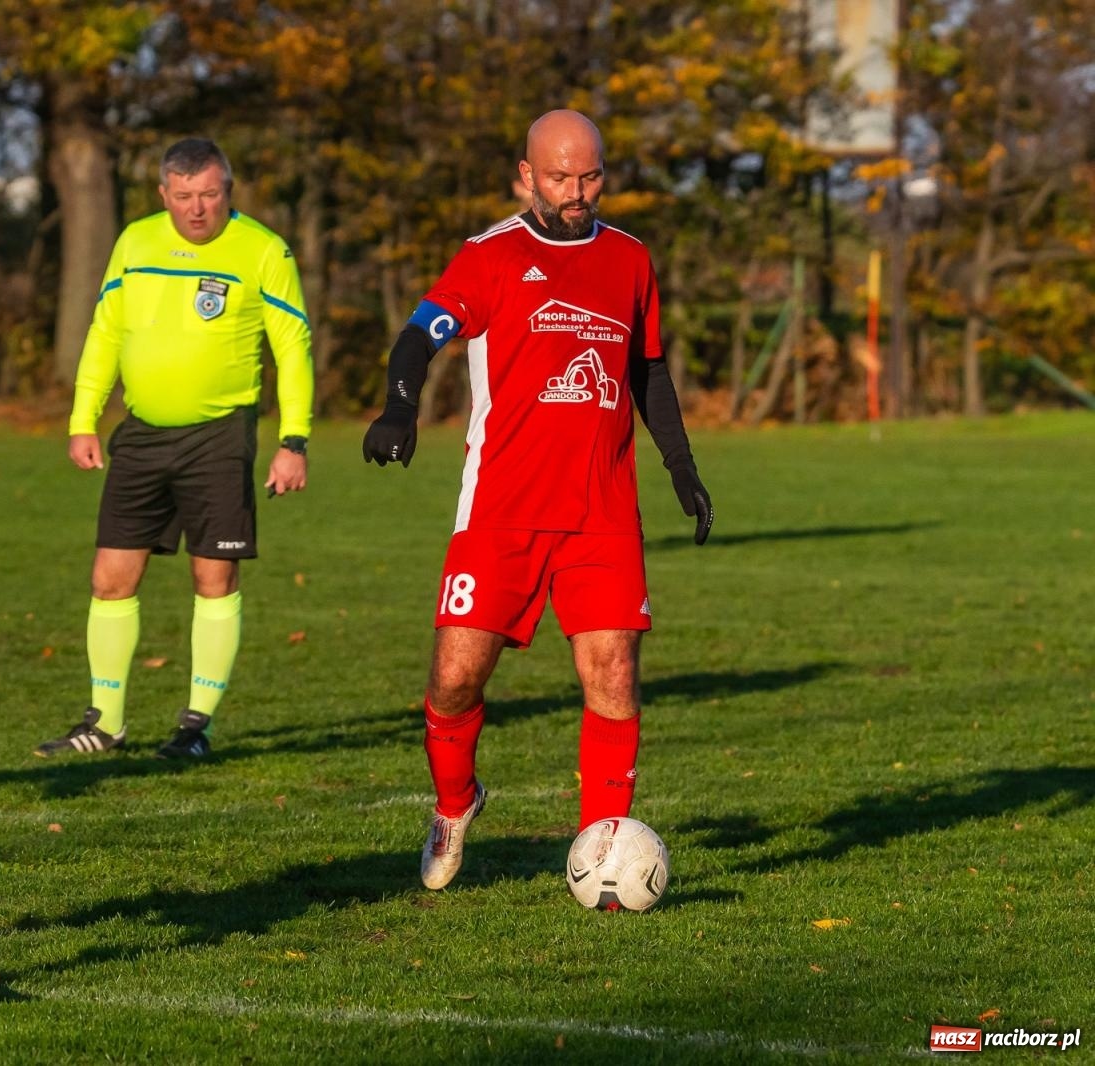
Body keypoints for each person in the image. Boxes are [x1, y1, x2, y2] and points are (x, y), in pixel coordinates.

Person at [361, 111, 714, 891]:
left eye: (590, 176)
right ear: (526, 175)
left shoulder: (628, 258)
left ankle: (604, 853)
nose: (577, 192)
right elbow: (418, 335)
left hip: (602, 508)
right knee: (455, 679)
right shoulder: (491, 257)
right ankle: (456, 804)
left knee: (614, 672)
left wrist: (682, 468)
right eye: (560, 178)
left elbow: (647, 371)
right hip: (502, 508)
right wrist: (398, 406)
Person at [37, 137, 314, 761]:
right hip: (140, 434)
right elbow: (105, 332)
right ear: (163, 195)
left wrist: (293, 440)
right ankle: (104, 722)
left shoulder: (264, 250)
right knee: (110, 579)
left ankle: (195, 726)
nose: (197, 209)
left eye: (209, 195)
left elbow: (293, 349)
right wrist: (83, 419)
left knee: (212, 577)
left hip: (219, 434)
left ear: (229, 191)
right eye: (184, 196)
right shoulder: (135, 242)